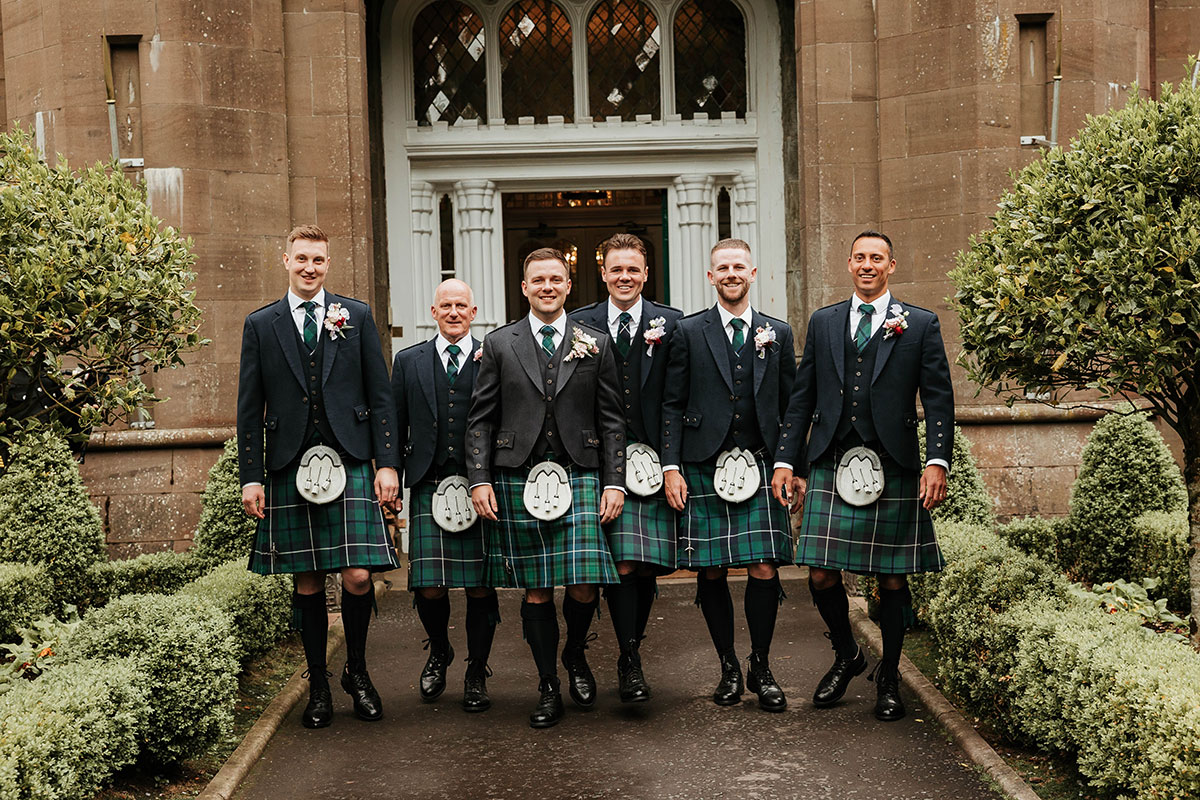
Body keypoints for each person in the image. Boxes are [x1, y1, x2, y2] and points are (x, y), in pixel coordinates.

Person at [774, 229, 953, 721]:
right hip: (833, 459)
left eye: (877, 258)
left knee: (892, 581)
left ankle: (890, 674)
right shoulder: (825, 322)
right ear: (849, 264)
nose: (868, 265)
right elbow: (802, 398)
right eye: (860, 257)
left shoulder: (919, 324)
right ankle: (848, 655)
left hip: (893, 462)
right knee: (820, 572)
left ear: (891, 266)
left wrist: (936, 461)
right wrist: (789, 460)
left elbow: (938, 399)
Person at [238, 224, 400, 729]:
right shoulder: (261, 324)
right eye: (302, 258)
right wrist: (251, 475)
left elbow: (380, 397)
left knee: (356, 576)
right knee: (307, 580)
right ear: (285, 259)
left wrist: (387, 463)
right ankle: (319, 684)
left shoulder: (355, 316)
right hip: (289, 463)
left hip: (349, 460)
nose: (310, 267)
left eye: (319, 260)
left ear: (327, 264)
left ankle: (356, 670)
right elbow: (249, 407)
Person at [467, 247, 626, 728]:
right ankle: (547, 685)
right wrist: (479, 478)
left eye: (556, 279)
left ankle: (574, 654)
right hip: (518, 474)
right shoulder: (499, 344)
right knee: (536, 591)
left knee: (582, 584)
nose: (547, 287)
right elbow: (480, 420)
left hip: (579, 473)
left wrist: (614, 482)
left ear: (569, 285)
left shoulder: (594, 342)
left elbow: (613, 419)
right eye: (538, 280)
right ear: (524, 287)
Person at [661, 238, 796, 713]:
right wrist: (671, 466)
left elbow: (790, 406)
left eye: (739, 266)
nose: (732, 273)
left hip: (759, 461)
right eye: (723, 267)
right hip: (702, 463)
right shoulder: (687, 331)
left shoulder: (776, 332)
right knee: (711, 568)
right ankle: (728, 667)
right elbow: (672, 403)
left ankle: (761, 665)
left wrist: (786, 462)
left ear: (753, 273)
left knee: (763, 566)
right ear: (711, 276)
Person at [569, 234, 683, 704]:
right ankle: (588, 654)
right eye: (616, 270)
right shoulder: (579, 324)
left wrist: (673, 462)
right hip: (593, 461)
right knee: (601, 566)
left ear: (645, 274)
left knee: (642, 565)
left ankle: (627, 655)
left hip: (652, 461)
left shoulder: (672, 324)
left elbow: (677, 400)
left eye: (633, 270)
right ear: (603, 273)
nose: (625, 277)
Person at [392, 279, 499, 713]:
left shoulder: (494, 356)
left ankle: (477, 669)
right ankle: (440, 650)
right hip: (429, 480)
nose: (454, 312)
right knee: (430, 585)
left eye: (462, 306)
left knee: (479, 585)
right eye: (446, 306)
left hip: (480, 485)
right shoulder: (408, 361)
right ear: (433, 312)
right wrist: (393, 481)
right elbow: (396, 426)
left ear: (474, 313)